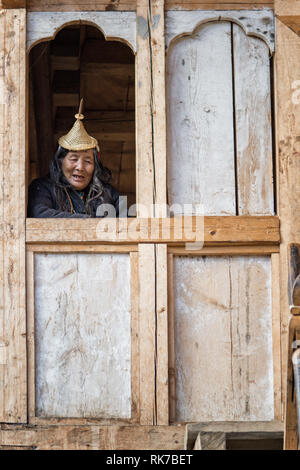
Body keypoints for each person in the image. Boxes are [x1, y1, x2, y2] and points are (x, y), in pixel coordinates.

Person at [27, 102, 119, 218]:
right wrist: (91, 223)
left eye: (88, 161)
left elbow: (128, 223)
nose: (80, 167)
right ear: (60, 161)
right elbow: (39, 213)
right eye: (74, 159)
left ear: (95, 166)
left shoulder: (109, 193)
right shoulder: (43, 187)